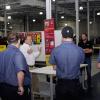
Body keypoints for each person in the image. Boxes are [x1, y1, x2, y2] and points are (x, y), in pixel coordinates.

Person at [49, 26, 85, 100]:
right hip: (75, 84)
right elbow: (80, 63)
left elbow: (54, 67)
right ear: (73, 36)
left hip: (61, 84)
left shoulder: (55, 50)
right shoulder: (80, 50)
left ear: (62, 36)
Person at [0, 33, 31, 100]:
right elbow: (20, 72)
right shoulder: (18, 54)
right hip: (16, 90)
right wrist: (20, 86)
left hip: (3, 88)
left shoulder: (1, 53)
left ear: (7, 42)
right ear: (19, 41)